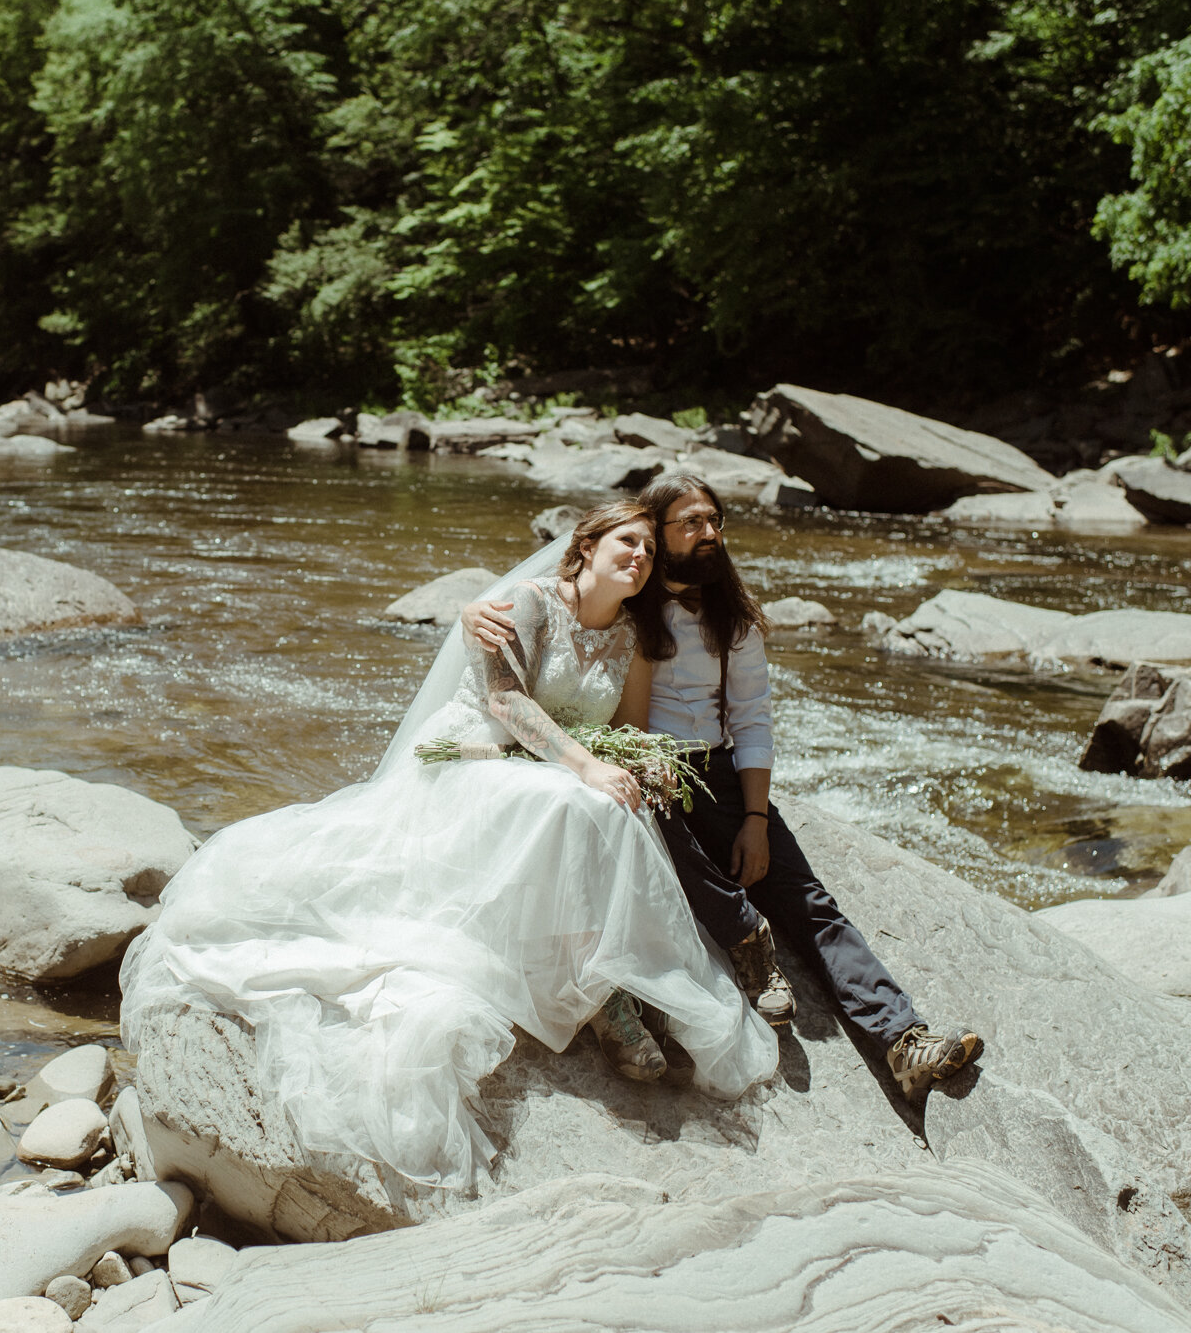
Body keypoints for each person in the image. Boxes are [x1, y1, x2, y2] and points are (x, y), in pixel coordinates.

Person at [120, 501, 778, 1191]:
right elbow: (506, 704)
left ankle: (617, 983)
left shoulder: (633, 637)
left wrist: (645, 760)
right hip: (475, 762)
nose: (640, 556)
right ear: (584, 548)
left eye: (648, 548)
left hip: (550, 770)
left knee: (614, 807)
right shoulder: (522, 605)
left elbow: (632, 726)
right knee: (575, 801)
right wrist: (585, 764)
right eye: (627, 541)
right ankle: (602, 1000)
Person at [464, 474, 983, 1101]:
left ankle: (903, 1040)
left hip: (715, 769)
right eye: (689, 523)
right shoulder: (628, 596)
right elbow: (554, 612)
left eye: (715, 521)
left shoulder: (734, 619)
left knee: (806, 899)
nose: (709, 533)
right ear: (656, 532)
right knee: (651, 829)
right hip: (642, 766)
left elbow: (753, 721)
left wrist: (757, 819)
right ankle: (742, 934)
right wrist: (471, 610)